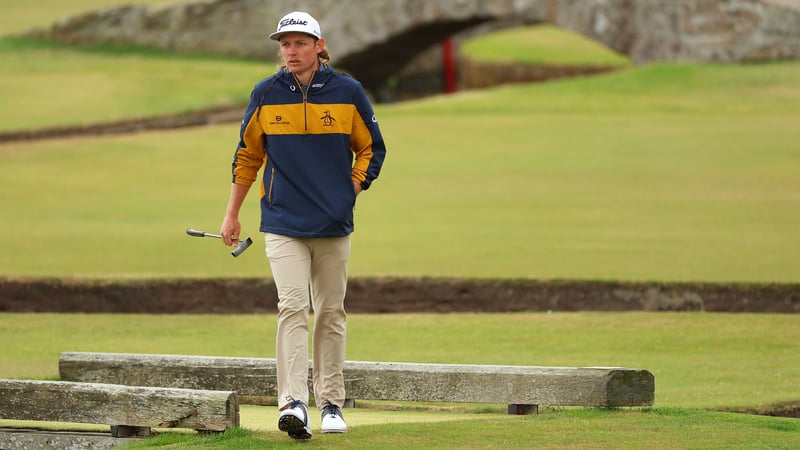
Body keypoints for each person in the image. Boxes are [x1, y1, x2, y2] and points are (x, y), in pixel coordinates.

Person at [219, 11, 386, 440]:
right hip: (282, 221)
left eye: (299, 43)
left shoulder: (348, 91)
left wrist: (349, 190)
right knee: (292, 307)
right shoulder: (266, 93)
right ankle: (293, 402)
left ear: (318, 46)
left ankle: (330, 402)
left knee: (330, 312)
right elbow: (248, 157)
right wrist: (232, 213)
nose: (290, 51)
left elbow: (371, 149)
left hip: (333, 223)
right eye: (284, 44)